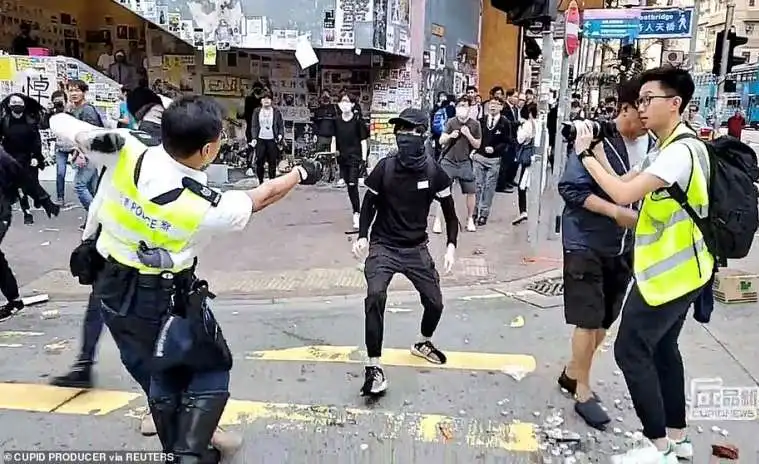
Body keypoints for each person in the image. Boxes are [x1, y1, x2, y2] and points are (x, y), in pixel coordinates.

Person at [49, 95, 322, 462]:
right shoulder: (204, 206)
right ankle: (188, 452)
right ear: (208, 149)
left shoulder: (126, 149)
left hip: (108, 287)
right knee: (210, 368)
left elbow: (59, 123)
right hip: (160, 297)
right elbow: (261, 196)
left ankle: (180, 439)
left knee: (150, 367)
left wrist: (102, 139)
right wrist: (301, 173)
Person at [575, 67, 712, 463]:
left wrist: (584, 155)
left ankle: (658, 446)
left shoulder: (679, 153)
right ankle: (679, 440)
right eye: (639, 100)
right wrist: (594, 146)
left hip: (668, 278)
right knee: (664, 349)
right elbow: (621, 177)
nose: (642, 107)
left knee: (631, 352)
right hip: (685, 272)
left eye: (649, 99)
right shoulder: (669, 146)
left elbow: (621, 192)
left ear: (675, 103)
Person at [49, 90, 171, 437]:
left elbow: (60, 124)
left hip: (121, 253)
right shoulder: (169, 146)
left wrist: (89, 237)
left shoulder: (123, 142)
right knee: (107, 312)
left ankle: (163, 404)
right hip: (144, 253)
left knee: (138, 336)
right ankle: (85, 365)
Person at [557, 78, 655, 430]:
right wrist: (616, 212)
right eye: (640, 108)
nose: (645, 116)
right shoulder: (595, 139)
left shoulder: (655, 144)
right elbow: (569, 187)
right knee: (588, 319)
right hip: (585, 241)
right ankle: (582, 390)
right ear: (626, 107)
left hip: (625, 246)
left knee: (604, 321)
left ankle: (572, 371)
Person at [352, 108, 458, 396]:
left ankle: (423, 342)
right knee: (375, 296)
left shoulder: (435, 173)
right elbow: (368, 205)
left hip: (416, 248)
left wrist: (451, 246)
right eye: (400, 131)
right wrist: (362, 236)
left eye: (410, 131)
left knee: (435, 303)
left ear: (422, 134)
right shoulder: (384, 168)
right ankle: (373, 367)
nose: (404, 137)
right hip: (384, 246)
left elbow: (450, 214)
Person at [0, 147, 59, 320]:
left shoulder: (3, 158)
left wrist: (44, 200)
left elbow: (24, 178)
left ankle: (14, 301)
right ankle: (14, 300)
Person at [435, 96, 481, 233]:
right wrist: (450, 136)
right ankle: (438, 220)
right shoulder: (451, 122)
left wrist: (468, 135)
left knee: (471, 190)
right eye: (460, 105)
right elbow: (441, 141)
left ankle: (470, 219)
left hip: (464, 162)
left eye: (465, 106)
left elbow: (478, 144)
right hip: (448, 161)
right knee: (442, 190)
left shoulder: (474, 124)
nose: (463, 108)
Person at [0, 94, 46, 225]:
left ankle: (37, 197)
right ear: (9, 106)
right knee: (20, 187)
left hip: (28, 157)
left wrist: (36, 156)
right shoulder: (5, 121)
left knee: (32, 183)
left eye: (19, 103)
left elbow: (37, 141)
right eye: (13, 103)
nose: (16, 106)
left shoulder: (30, 122)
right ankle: (27, 212)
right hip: (12, 158)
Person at [331, 93, 369, 230]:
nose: (344, 104)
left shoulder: (358, 121)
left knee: (353, 184)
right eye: (342, 101)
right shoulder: (336, 121)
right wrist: (333, 155)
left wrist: (364, 160)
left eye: (347, 102)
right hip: (342, 158)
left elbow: (363, 141)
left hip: (355, 157)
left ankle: (357, 213)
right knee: (349, 186)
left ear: (353, 104)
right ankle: (356, 209)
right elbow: (334, 139)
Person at [67, 79, 104, 214]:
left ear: (84, 92)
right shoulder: (76, 109)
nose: (74, 93)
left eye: (77, 90)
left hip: (90, 153)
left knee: (80, 185)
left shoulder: (87, 110)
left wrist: (81, 152)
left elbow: (91, 133)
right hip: (90, 153)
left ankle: (96, 217)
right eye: (71, 90)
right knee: (92, 187)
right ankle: (96, 220)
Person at [473, 97, 512, 225]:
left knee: (489, 187)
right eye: (491, 103)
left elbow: (508, 141)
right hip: (479, 157)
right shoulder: (481, 121)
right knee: (477, 185)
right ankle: (474, 210)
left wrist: (495, 149)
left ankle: (484, 213)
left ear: (501, 107)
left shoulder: (505, 122)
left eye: (496, 104)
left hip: (494, 159)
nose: (493, 106)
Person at [512, 100, 541, 226]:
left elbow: (520, 139)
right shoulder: (541, 124)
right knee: (537, 186)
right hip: (539, 157)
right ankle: (536, 212)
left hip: (528, 158)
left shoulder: (528, 125)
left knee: (522, 185)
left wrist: (520, 128)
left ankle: (523, 211)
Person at [249, 89, 285, 182]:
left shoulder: (276, 111)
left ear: (271, 100)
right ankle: (261, 181)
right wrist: (254, 138)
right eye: (264, 98)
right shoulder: (257, 111)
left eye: (268, 98)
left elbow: (280, 125)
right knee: (259, 161)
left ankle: (272, 181)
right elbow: (254, 126)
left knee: (272, 162)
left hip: (272, 140)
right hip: (260, 139)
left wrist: (280, 135)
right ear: (261, 100)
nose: (266, 100)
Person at [49, 90, 72, 206]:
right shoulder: (52, 113)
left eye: (60, 101)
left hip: (74, 146)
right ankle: (60, 197)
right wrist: (49, 112)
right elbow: (44, 124)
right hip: (60, 147)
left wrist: (67, 111)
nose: (58, 104)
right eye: (56, 102)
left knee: (83, 172)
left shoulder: (71, 111)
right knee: (60, 173)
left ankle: (89, 194)